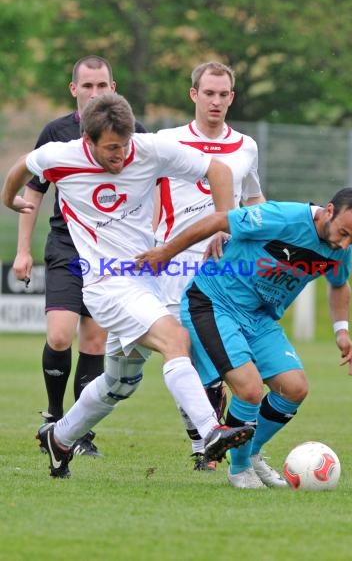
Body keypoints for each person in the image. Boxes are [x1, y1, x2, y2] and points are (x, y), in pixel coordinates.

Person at [2, 92, 254, 479]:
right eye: (110, 148)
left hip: (147, 281)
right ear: (88, 141)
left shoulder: (148, 148)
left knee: (120, 384)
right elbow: (22, 165)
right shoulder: (61, 155)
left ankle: (60, 438)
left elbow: (218, 170)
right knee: (175, 339)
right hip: (106, 283)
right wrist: (9, 198)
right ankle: (210, 432)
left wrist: (223, 224)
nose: (120, 155)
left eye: (124, 145)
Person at [136, 187, 352, 488]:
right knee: (249, 389)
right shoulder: (283, 217)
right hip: (214, 302)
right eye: (343, 233)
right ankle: (239, 470)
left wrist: (341, 331)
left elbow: (340, 285)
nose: (345, 243)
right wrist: (164, 254)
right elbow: (219, 220)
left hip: (259, 317)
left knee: (294, 388)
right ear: (329, 210)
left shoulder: (342, 249)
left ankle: (251, 455)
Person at [12, 55, 146, 457]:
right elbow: (32, 193)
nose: (94, 93)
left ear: (113, 87)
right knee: (59, 333)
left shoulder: (134, 133)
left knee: (94, 340)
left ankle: (78, 433)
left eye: (101, 85)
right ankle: (54, 417)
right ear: (74, 90)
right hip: (67, 246)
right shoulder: (56, 133)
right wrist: (23, 251)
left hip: (112, 251)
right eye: (86, 86)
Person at [154, 61, 265, 471]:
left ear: (231, 97)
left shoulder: (246, 146)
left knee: (216, 359)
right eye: (209, 93)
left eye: (224, 94)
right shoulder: (168, 141)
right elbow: (143, 190)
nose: (216, 101)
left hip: (225, 269)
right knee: (181, 355)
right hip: (173, 268)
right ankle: (205, 438)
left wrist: (262, 240)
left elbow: (252, 199)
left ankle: (207, 446)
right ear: (194, 95)